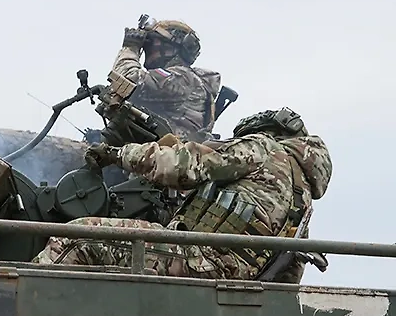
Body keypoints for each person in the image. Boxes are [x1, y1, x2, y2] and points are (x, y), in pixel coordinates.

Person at [32, 108, 332, 283]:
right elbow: (291, 272)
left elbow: (182, 166)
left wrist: (117, 154)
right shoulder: (301, 199)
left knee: (78, 236)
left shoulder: (263, 148)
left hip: (198, 261)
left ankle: (8, 302)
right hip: (230, 280)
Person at [112, 18, 223, 142]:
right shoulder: (189, 79)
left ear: (171, 48)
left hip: (168, 155)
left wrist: (130, 47)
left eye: (153, 42)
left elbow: (124, 80)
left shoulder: (183, 78)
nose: (147, 49)